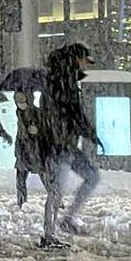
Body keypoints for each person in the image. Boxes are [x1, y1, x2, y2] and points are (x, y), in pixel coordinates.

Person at [39, 42, 102, 248]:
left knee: (92, 176)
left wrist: (86, 132)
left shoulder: (64, 81)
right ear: (77, 59)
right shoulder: (63, 83)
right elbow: (73, 114)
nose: (86, 66)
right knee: (56, 190)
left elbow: (72, 114)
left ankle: (67, 219)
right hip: (59, 144)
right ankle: (48, 235)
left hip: (67, 143)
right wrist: (89, 132)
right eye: (85, 61)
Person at [12, 89, 46, 208]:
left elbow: (45, 129)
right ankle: (21, 202)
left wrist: (37, 131)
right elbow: (20, 133)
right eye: (18, 102)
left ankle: (56, 198)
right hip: (23, 151)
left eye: (23, 101)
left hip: (35, 150)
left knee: (45, 177)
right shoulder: (19, 113)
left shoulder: (36, 113)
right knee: (20, 179)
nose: (21, 104)